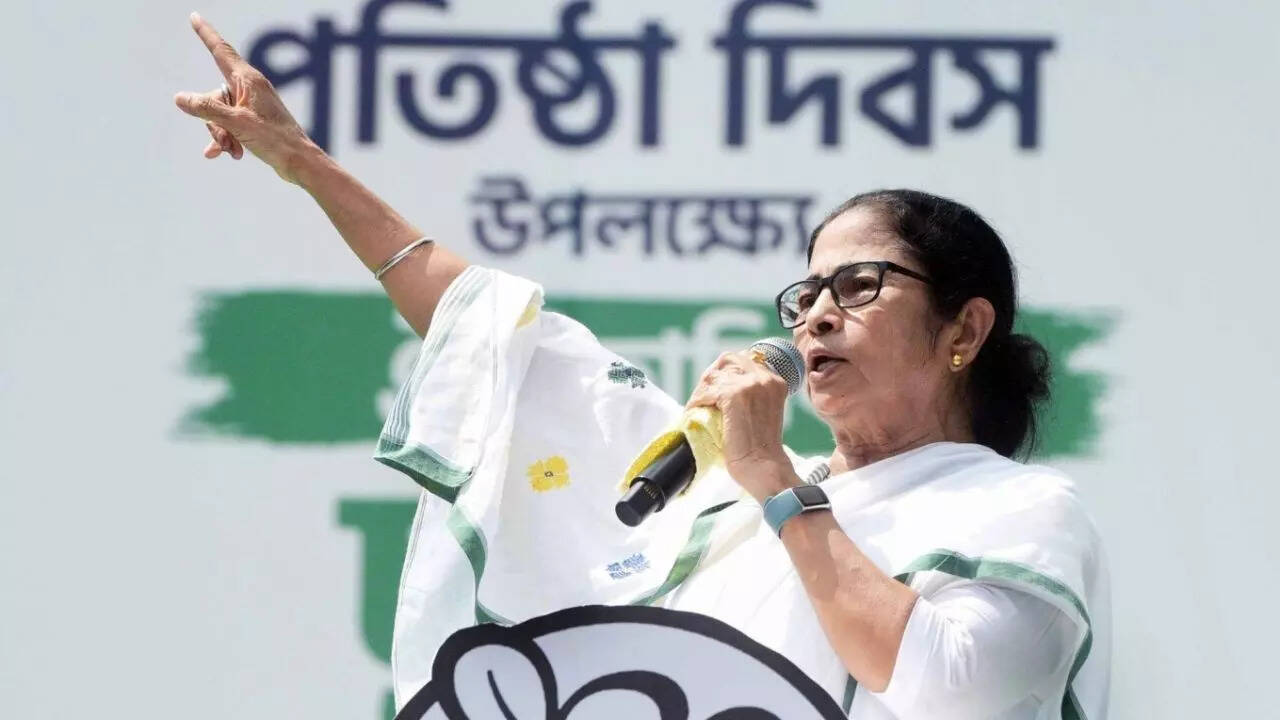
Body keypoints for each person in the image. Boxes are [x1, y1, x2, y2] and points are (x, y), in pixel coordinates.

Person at [175, 13, 1109, 719]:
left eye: (859, 284)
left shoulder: (1017, 509)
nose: (817, 314)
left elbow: (958, 689)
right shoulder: (721, 498)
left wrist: (778, 485)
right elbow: (506, 342)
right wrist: (307, 165)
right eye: (804, 294)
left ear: (964, 328)